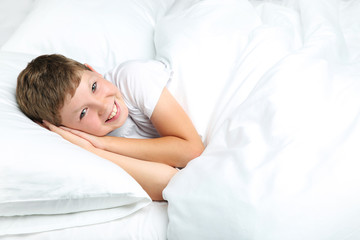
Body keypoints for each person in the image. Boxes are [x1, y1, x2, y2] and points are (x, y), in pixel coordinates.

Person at [16, 54, 204, 201]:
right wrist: (93, 150)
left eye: (94, 87)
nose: (103, 106)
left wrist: (105, 144)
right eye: (83, 113)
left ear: (93, 70)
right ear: (64, 128)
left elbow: (191, 151)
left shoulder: (132, 77)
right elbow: (171, 183)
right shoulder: (87, 146)